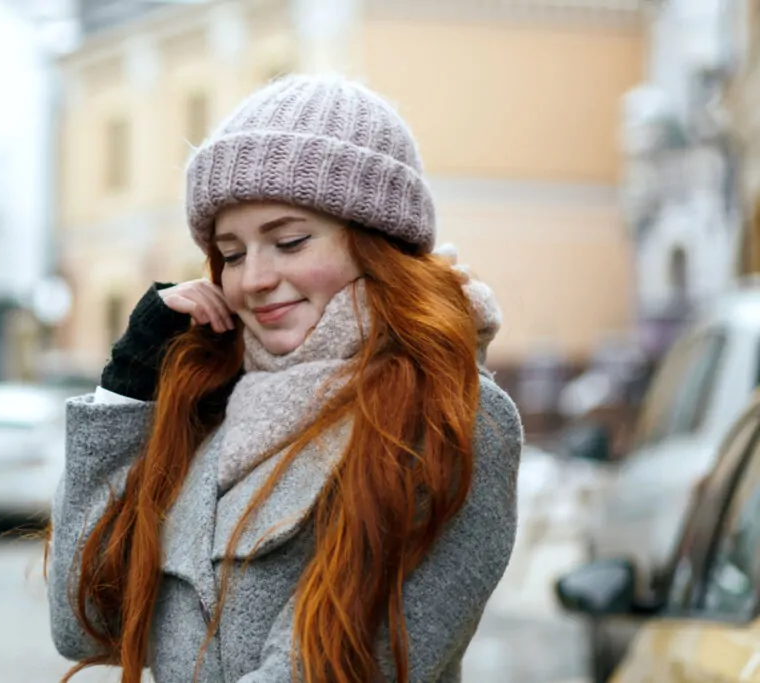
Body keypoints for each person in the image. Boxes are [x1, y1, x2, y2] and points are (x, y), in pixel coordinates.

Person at [47, 74, 523, 683]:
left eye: (289, 241)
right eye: (234, 252)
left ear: (377, 243)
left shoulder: (454, 413)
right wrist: (131, 387)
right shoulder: (215, 404)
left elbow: (338, 663)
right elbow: (84, 620)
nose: (254, 279)